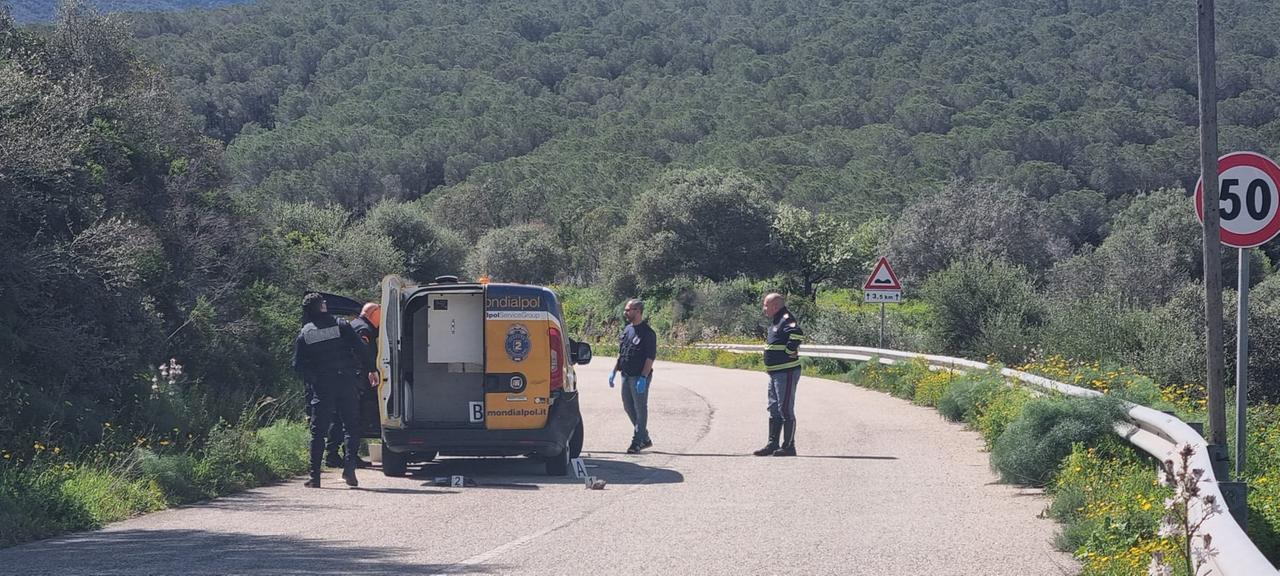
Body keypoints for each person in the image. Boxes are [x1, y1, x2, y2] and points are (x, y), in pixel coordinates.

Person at [292, 293, 378, 488]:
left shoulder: (306, 334)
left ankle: (314, 477)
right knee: (351, 427)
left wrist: (314, 380)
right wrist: (371, 369)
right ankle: (350, 471)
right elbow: (361, 349)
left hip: (323, 386)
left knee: (318, 432)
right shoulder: (341, 326)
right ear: (323, 307)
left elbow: (298, 365)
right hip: (346, 381)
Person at [325, 302, 381, 469]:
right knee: (352, 419)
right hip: (355, 379)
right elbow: (362, 353)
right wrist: (371, 371)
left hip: (343, 378)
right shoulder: (364, 329)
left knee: (339, 418)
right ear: (373, 314)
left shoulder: (354, 324)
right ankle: (348, 455)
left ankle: (333, 454)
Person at [754, 293, 804, 457]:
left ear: (775, 306)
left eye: (766, 305)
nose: (764, 308)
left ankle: (789, 446)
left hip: (786, 371)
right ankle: (772, 444)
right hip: (775, 372)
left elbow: (797, 333)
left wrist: (789, 351)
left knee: (785, 409)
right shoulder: (777, 320)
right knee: (774, 408)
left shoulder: (786, 318)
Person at [609, 298, 657, 454]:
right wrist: (614, 371)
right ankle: (645, 438)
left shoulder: (648, 333)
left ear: (638, 311)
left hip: (639, 376)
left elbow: (650, 357)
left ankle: (637, 442)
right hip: (626, 375)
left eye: (628, 310)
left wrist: (643, 377)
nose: (625, 312)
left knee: (640, 408)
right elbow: (622, 352)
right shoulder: (627, 330)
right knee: (628, 407)